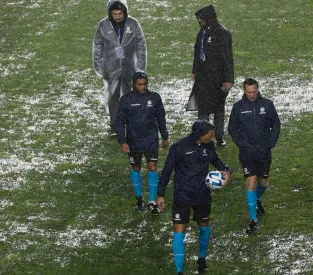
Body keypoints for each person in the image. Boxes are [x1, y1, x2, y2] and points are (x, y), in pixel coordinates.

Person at [157, 120, 231, 275]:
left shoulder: (208, 146)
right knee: (179, 231)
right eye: (209, 135)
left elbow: (216, 160)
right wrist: (160, 194)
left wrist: (226, 170)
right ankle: (179, 271)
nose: (212, 138)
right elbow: (166, 171)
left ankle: (202, 259)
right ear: (199, 135)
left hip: (202, 195)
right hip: (182, 196)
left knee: (204, 226)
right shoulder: (179, 148)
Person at [228, 78, 281, 233]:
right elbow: (232, 129)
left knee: (263, 184)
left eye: (254, 92)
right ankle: (253, 220)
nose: (252, 95)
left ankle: (257, 199)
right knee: (251, 182)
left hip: (264, 151)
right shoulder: (238, 107)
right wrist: (242, 145)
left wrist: (270, 143)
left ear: (258, 90)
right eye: (248, 92)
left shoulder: (267, 104)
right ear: (244, 91)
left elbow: (276, 125)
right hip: (247, 153)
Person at [114, 72, 169, 214]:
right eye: (140, 84)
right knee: (136, 167)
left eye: (145, 84)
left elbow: (161, 118)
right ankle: (139, 198)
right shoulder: (126, 100)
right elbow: (119, 122)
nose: (143, 87)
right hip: (134, 141)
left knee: (152, 167)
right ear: (134, 84)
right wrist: (122, 141)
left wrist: (164, 136)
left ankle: (151, 201)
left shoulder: (154, 98)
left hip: (151, 139)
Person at [93, 0, 147, 135]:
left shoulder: (133, 24)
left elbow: (141, 44)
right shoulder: (103, 25)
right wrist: (98, 64)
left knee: (131, 95)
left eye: (120, 13)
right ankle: (114, 124)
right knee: (113, 95)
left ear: (125, 12)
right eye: (114, 13)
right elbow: (97, 45)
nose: (117, 16)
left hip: (130, 66)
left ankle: (131, 122)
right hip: (111, 67)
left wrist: (140, 66)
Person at [187, 5, 234, 148]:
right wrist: (195, 70)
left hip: (218, 78)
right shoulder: (202, 32)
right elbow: (197, 52)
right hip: (203, 77)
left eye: (201, 19)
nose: (199, 22)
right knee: (203, 108)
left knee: (218, 108)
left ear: (209, 19)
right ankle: (202, 135)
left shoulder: (222, 33)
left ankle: (219, 137)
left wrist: (228, 79)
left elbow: (228, 58)